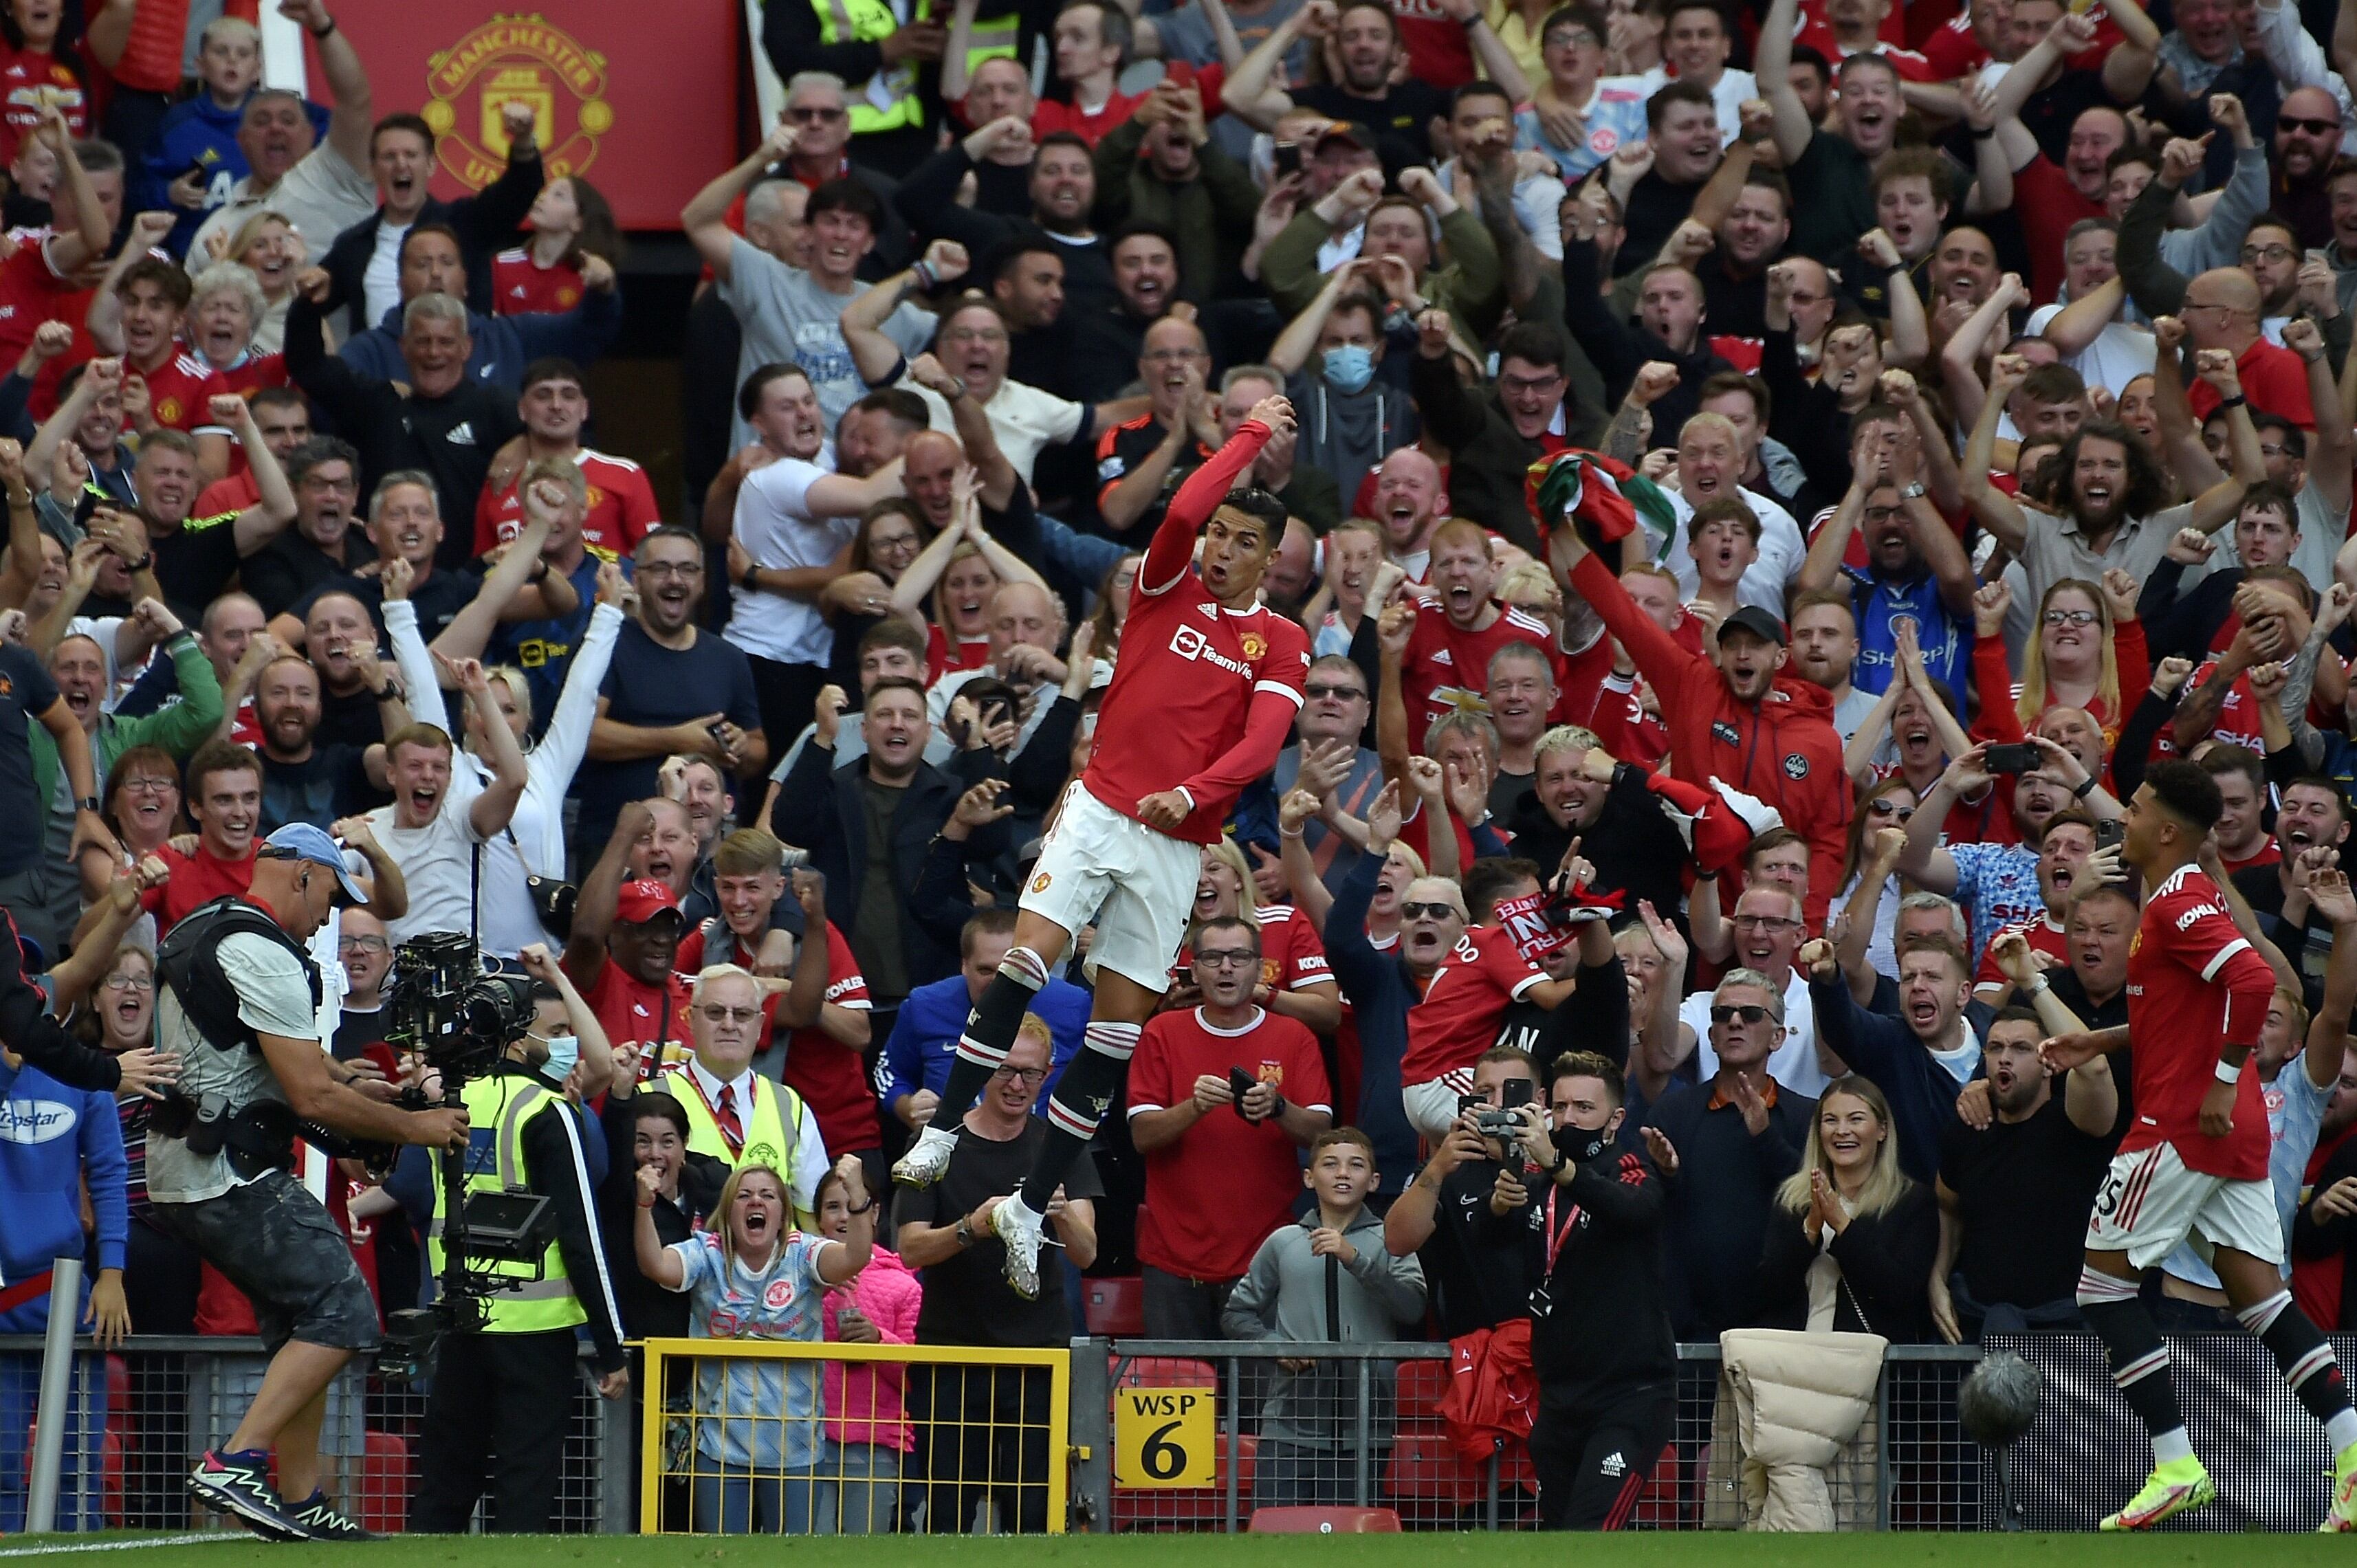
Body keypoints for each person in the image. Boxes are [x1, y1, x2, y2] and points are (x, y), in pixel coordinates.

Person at [888, 395, 1310, 1300]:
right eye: (1220, 534)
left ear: (1272, 560)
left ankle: (1029, 1208)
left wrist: (1194, 794)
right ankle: (945, 1131)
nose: (1221, 548)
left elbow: (1261, 746)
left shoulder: (1282, 641)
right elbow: (1186, 508)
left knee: (1116, 1033)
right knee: (1028, 962)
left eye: (1244, 541)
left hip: (1175, 841)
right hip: (1103, 809)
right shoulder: (1166, 581)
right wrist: (1244, 437)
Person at [2041, 760, 2357, 1529]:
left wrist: (2218, 1080)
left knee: (2101, 1288)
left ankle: (2176, 1464)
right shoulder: (2174, 897)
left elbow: (2251, 983)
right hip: (2230, 1125)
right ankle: (2352, 1458)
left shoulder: (2179, 898)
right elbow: (2185, 1007)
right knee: (2263, 1303)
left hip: (2185, 1123)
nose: (2127, 815)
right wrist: (2102, 1038)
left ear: (2167, 830)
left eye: (2139, 806)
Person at [151, 824, 469, 1541]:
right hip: (224, 1171)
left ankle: (299, 1499)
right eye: (330, 894)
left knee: (306, 1319)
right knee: (343, 1308)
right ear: (300, 875)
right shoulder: (262, 950)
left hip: (194, 1168)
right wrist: (421, 1127)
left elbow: (274, 1059)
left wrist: (346, 1077)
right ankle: (236, 1461)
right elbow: (310, 1101)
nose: (330, 915)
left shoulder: (213, 925)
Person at [408, 947, 630, 1534]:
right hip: (534, 1333)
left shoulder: (451, 1101)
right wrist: (611, 1347)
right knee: (524, 1488)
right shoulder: (545, 1110)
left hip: (460, 1322)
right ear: (517, 1034)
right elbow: (582, 1236)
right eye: (554, 1032)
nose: (566, 1046)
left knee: (445, 1484)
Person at [893, 1017, 1099, 1534]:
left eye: (1031, 1074)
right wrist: (971, 1227)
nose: (1016, 1085)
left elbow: (1087, 1253)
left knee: (1033, 1513)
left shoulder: (1060, 1144)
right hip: (953, 1353)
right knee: (948, 1515)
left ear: (1048, 1075)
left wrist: (1061, 1213)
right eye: (1006, 1070)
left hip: (1037, 1357)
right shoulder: (937, 1141)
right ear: (983, 1068)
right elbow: (909, 1246)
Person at [635, 1154, 876, 1535]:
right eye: (745, 1196)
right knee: (722, 1559)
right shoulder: (707, 1253)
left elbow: (855, 1257)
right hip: (720, 1447)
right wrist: (644, 1208)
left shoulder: (804, 1254)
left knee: (790, 1561)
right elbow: (655, 1264)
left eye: (768, 1196)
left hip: (795, 1446)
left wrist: (858, 1195)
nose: (756, 1203)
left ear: (783, 1213)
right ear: (729, 1211)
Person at [1128, 915, 1333, 1336]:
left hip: (1267, 1256)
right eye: (1213, 957)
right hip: (1172, 1258)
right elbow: (1142, 1135)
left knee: (1262, 1398)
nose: (1226, 967)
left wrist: (1278, 1107)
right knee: (1179, 1392)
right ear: (1194, 967)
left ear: (1260, 968)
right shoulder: (1161, 1032)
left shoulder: (1295, 1036)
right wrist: (1195, 1107)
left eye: (1239, 957)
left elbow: (1322, 1135)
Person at [1220, 1126, 1425, 1509]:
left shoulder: (1392, 1240)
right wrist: (1274, 1346)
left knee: (1351, 1545)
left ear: (1375, 1180)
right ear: (1309, 1178)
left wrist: (1356, 1259)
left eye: (1356, 1165)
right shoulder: (1284, 1242)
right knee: (1275, 1537)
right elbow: (1236, 1313)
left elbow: (1413, 1307)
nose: (1343, 1174)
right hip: (1288, 1425)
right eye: (1331, 1165)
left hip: (1365, 1428)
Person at [1514, 1050, 1675, 1532]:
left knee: (1591, 1534)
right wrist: (1500, 1208)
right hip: (1560, 1398)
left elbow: (1634, 1209)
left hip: (1630, 1396)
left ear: (1615, 1118)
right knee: (1560, 1540)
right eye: (1560, 1106)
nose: (1569, 1118)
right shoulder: (1534, 1178)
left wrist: (1560, 1165)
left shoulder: (1628, 1165)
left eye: (1584, 1107)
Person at [1933, 1002, 2120, 1342]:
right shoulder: (1968, 1129)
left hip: (2064, 1328)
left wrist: (2032, 982)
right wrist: (1938, 1277)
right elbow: (1948, 1206)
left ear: (2050, 1062)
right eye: (1995, 1048)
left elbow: (2094, 1068)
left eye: (2021, 1049)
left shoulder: (2075, 1122)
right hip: (1977, 1322)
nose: (2005, 1058)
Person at [1755, 1073, 1940, 1340]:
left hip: (1868, 1369)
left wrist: (1842, 1225)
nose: (1842, 1131)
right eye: (1831, 1120)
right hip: (1794, 1361)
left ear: (1882, 1130)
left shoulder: (1912, 1202)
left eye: (1856, 1119)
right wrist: (1811, 1228)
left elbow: (1898, 1291)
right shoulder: (1794, 1198)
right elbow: (1769, 1292)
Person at [1381, 1045, 1537, 1335]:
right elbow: (1397, 1241)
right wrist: (1437, 1167)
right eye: (1486, 1091)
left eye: (1512, 1090)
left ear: (1539, 1099)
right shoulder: (1450, 1166)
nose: (1498, 1103)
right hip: (1475, 1348)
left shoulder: (1558, 1162)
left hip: (1555, 1350)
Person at [814, 1163, 919, 1534]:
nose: (844, 1217)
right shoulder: (801, 1276)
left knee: (863, 1551)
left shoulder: (903, 1285)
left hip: (875, 1440)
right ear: (818, 1219)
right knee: (807, 1553)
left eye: (853, 1205)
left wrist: (878, 1341)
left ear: (874, 1212)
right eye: (832, 1207)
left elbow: (914, 1377)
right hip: (804, 1437)